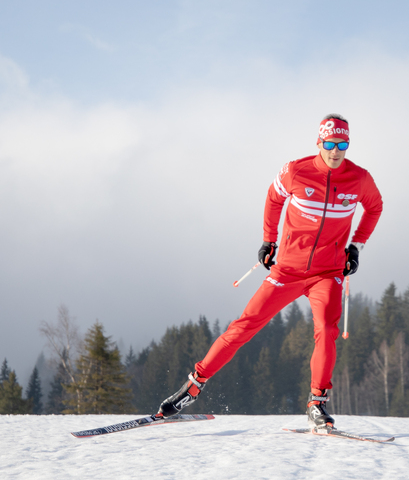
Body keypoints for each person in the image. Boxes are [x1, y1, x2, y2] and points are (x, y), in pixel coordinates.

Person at [156, 114, 383, 431]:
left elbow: (375, 207)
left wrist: (355, 247)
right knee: (245, 325)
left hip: (327, 272)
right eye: (329, 144)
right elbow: (274, 198)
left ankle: (317, 404)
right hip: (287, 269)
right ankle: (193, 386)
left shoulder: (358, 179)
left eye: (342, 144)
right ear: (319, 142)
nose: (335, 151)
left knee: (326, 331)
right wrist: (268, 240)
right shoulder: (296, 170)